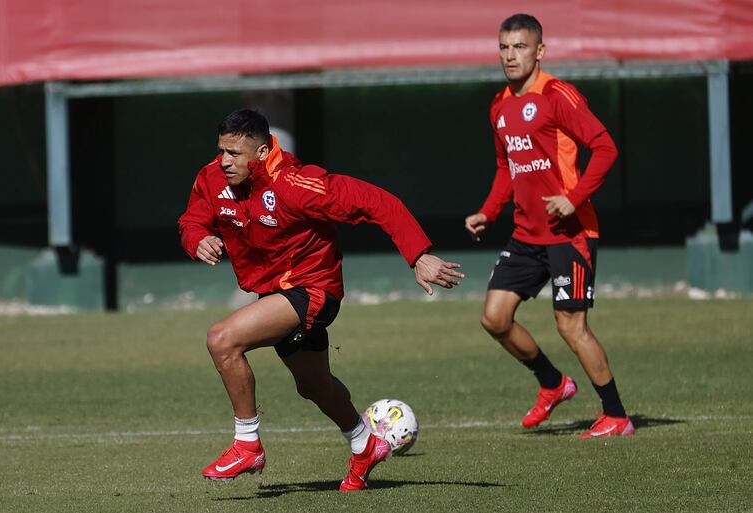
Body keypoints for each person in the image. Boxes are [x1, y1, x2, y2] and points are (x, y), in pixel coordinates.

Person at [178, 109, 464, 491]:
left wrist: (419, 254)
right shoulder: (212, 177)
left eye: (234, 153)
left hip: (313, 290)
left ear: (262, 152)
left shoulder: (297, 184)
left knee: (222, 340)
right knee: (314, 386)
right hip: (275, 293)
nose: (225, 162)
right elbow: (192, 220)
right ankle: (365, 445)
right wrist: (197, 239)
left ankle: (247, 443)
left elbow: (379, 202)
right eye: (221, 151)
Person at [464, 13, 634, 438]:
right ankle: (553, 383)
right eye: (504, 47)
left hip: (570, 233)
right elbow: (507, 167)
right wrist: (488, 210)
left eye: (519, 47)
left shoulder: (558, 95)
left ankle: (616, 415)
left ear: (540, 51)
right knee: (494, 318)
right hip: (526, 234)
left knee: (570, 324)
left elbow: (605, 147)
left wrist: (572, 199)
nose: (510, 55)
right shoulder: (499, 105)